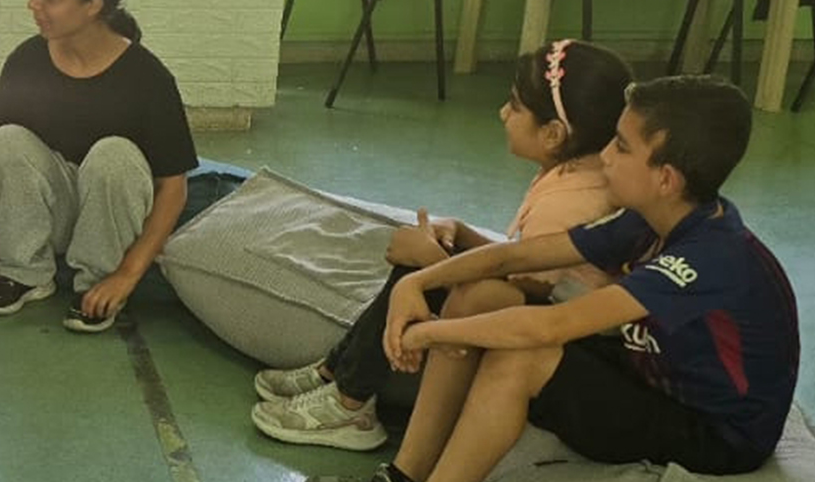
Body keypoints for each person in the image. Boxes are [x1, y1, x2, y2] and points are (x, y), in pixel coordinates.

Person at [304, 77, 800, 482]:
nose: (603, 156)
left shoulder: (710, 258)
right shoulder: (657, 218)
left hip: (713, 431)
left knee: (521, 355)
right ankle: (407, 479)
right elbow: (515, 257)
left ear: (666, 179)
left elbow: (550, 326)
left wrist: (429, 333)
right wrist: (418, 283)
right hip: (651, 371)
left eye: (621, 147)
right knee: (481, 294)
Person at [252, 39, 634, 451]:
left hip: (564, 340)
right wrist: (459, 232)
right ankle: (337, 369)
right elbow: (523, 260)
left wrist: (431, 261)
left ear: (554, 133)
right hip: (549, 306)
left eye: (514, 106)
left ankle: (349, 403)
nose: (502, 113)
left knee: (419, 268)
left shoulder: (569, 202)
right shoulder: (578, 173)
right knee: (426, 263)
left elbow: (523, 293)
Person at [0, 0, 199, 334]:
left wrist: (126, 276)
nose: (34, 3)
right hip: (48, 215)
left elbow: (173, 189)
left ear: (93, 5)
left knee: (115, 154)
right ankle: (26, 273)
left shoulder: (148, 78)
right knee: (2, 141)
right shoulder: (26, 61)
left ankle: (95, 285)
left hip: (110, 219)